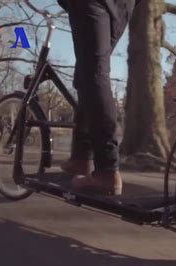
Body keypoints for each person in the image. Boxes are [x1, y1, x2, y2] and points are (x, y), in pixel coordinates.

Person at [57, 0, 140, 195]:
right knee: (88, 73)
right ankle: (82, 157)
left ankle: (107, 170)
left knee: (94, 75)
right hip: (123, 6)